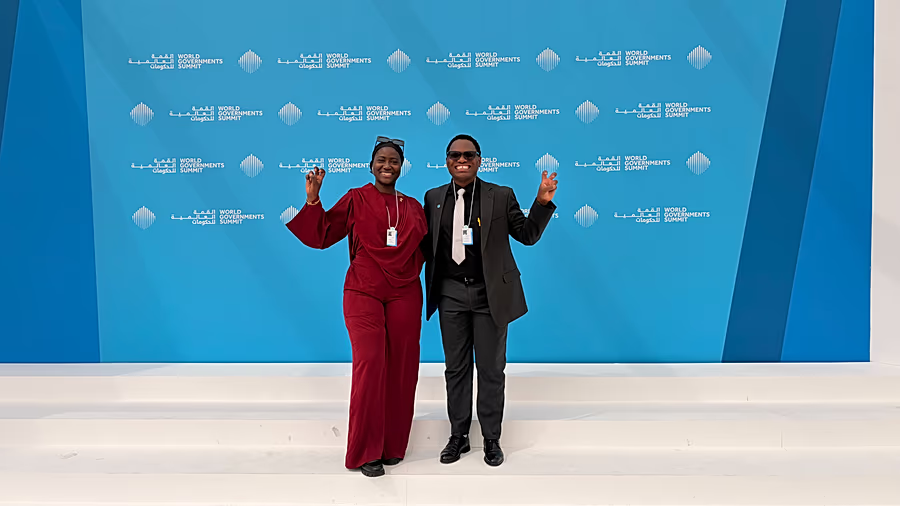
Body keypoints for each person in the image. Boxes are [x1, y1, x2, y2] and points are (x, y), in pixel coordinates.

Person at [286, 136, 427, 477]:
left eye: (394, 160)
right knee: (371, 362)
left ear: (402, 166)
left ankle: (392, 446)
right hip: (363, 290)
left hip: (405, 291)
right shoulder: (356, 198)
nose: (387, 165)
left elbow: (430, 249)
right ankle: (366, 452)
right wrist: (313, 199)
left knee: (403, 366)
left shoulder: (413, 207)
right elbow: (321, 235)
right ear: (371, 165)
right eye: (381, 160)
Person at [422, 134, 558, 467]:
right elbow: (426, 245)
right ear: (447, 160)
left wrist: (541, 203)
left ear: (480, 159)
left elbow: (527, 235)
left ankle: (491, 438)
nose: (462, 160)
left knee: (491, 369)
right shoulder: (433, 197)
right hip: (450, 293)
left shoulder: (501, 195)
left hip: (489, 294)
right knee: (456, 369)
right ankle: (458, 435)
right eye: (455, 155)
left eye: (468, 154)